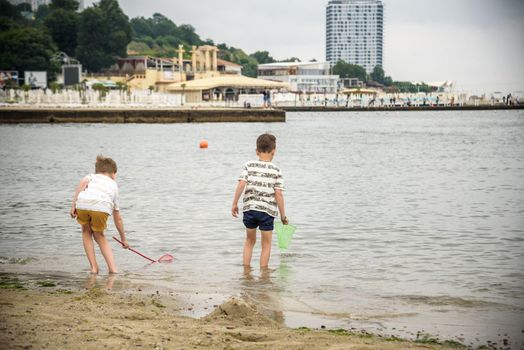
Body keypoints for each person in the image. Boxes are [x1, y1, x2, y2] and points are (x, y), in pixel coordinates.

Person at [231, 133, 288, 269]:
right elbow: (278, 194)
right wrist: (283, 216)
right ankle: (264, 275)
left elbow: (241, 183)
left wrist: (234, 203)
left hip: (250, 209)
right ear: (274, 151)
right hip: (267, 212)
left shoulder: (249, 165)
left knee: (249, 241)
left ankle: (246, 271)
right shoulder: (276, 170)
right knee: (266, 244)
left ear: (256, 151)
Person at [70, 155, 129, 274]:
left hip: (83, 204)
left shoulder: (90, 177)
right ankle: (113, 269)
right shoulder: (114, 185)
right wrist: (123, 239)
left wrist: (73, 206)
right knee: (99, 236)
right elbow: (118, 218)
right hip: (101, 207)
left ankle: (94, 268)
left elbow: (80, 188)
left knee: (86, 231)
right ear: (113, 173)